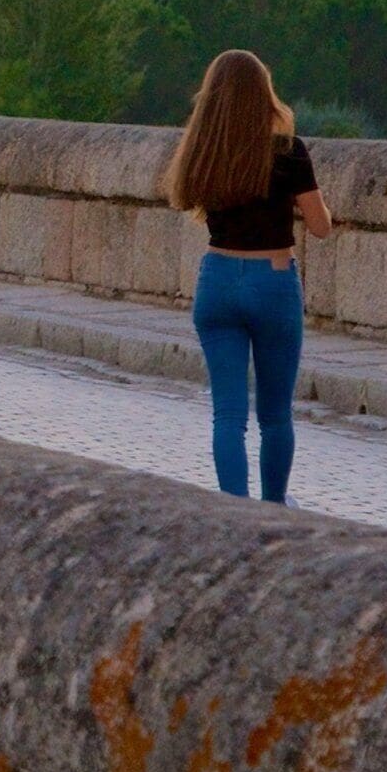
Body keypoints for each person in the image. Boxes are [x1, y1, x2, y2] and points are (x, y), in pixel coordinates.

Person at [162, 49, 333, 504]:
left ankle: (232, 510)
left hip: (217, 279)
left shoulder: (203, 151)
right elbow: (320, 227)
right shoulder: (288, 152)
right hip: (272, 280)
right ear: (265, 95)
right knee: (275, 415)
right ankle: (273, 505)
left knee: (227, 416)